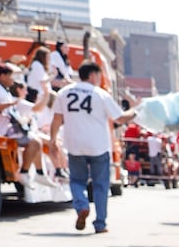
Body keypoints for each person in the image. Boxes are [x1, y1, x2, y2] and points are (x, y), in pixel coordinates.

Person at [50, 61, 136, 234]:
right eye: (99, 75)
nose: (100, 79)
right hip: (98, 145)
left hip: (74, 144)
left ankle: (81, 206)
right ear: (92, 75)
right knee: (100, 185)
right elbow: (119, 118)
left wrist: (52, 140)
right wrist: (134, 111)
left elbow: (57, 119)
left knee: (76, 181)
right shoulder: (100, 94)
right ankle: (100, 223)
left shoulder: (64, 93)